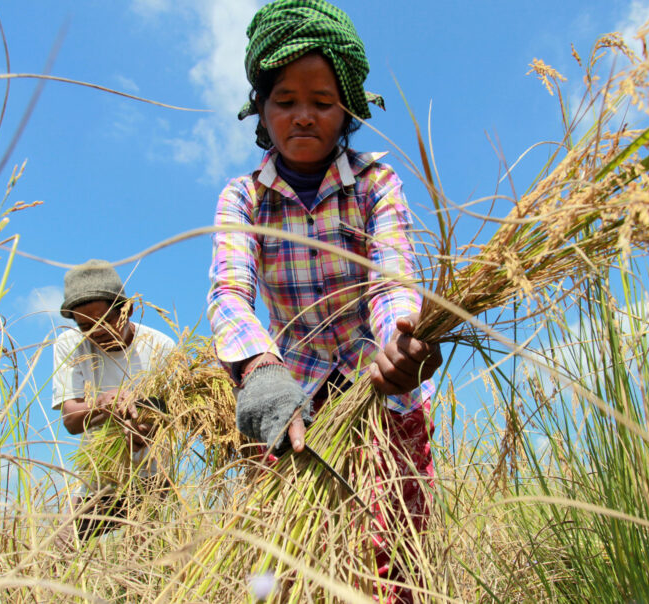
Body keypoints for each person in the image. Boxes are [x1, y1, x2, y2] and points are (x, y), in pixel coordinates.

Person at [206, 1, 442, 600]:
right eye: (285, 101)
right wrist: (260, 371)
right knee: (288, 567)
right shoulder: (243, 200)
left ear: (349, 110)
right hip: (295, 406)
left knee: (393, 566)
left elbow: (392, 280)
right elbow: (230, 292)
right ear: (260, 109)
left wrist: (399, 346)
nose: (303, 116)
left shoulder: (375, 185)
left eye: (322, 101)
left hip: (382, 391)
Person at [52, 259, 175, 540]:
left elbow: (173, 417)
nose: (96, 332)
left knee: (146, 564)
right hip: (99, 478)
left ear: (126, 310)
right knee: (60, 544)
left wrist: (145, 430)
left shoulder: (162, 347)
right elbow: (71, 420)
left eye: (103, 320)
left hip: (153, 479)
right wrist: (103, 404)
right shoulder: (70, 346)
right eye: (85, 325)